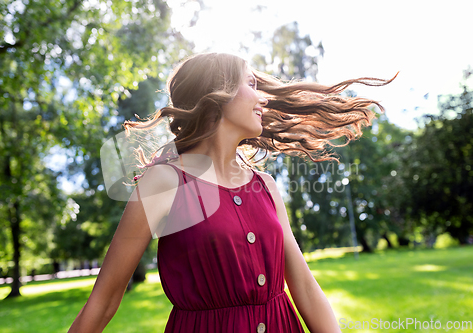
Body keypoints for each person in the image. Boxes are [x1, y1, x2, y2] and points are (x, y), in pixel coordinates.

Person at [68, 53, 396, 333]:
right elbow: (105, 301)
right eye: (251, 85)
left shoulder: (265, 186)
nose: (263, 97)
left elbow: (305, 289)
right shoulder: (163, 182)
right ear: (218, 94)